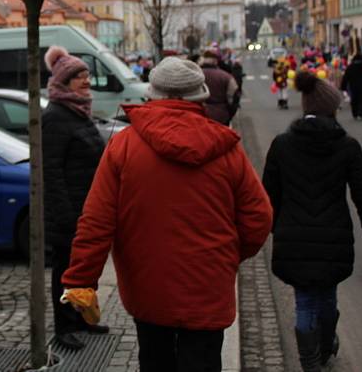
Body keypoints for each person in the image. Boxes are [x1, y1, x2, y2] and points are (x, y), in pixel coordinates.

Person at [62, 56, 273, 372]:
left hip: (147, 284)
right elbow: (259, 217)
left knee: (155, 359)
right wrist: (228, 255)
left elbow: (97, 220)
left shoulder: (124, 147)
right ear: (199, 94)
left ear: (152, 93)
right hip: (208, 286)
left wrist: (81, 279)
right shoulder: (227, 149)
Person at [262, 71, 362, 371]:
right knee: (326, 296)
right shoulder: (347, 146)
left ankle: (311, 361)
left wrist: (272, 230)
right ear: (332, 109)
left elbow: (267, 196)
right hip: (334, 235)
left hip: (293, 237)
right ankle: (322, 348)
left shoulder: (282, 145)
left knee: (305, 301)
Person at [41, 46, 107, 351]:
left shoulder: (78, 110)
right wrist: (67, 216)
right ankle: (63, 326)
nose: (86, 81)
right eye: (78, 76)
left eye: (87, 75)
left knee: (83, 268)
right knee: (65, 271)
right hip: (69, 214)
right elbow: (50, 172)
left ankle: (80, 317)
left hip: (87, 210)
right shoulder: (55, 116)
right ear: (63, 82)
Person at [200, 49, 239, 125]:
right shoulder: (226, 76)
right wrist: (229, 114)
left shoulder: (195, 75)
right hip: (221, 116)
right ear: (216, 61)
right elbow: (234, 97)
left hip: (200, 115)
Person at [341, 53, 362, 120]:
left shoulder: (350, 67)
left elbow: (345, 77)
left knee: (354, 100)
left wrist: (343, 86)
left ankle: (355, 114)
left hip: (353, 86)